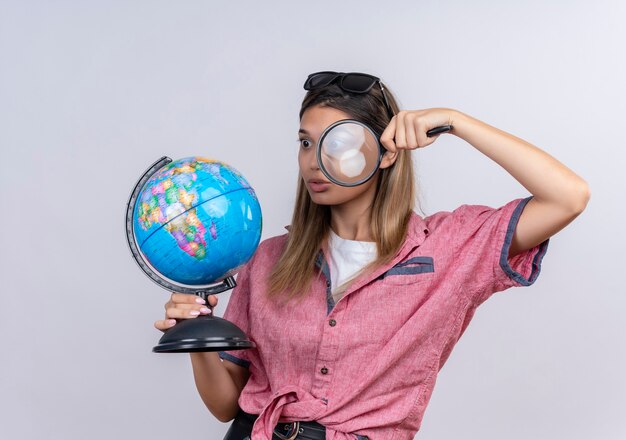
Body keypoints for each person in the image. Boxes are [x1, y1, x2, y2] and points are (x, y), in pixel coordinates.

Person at [154, 71, 590, 440]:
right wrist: (198, 333)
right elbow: (227, 405)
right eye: (306, 143)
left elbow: (568, 197)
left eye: (335, 143)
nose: (313, 161)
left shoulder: (449, 248)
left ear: (385, 153)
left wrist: (457, 122)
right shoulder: (267, 259)